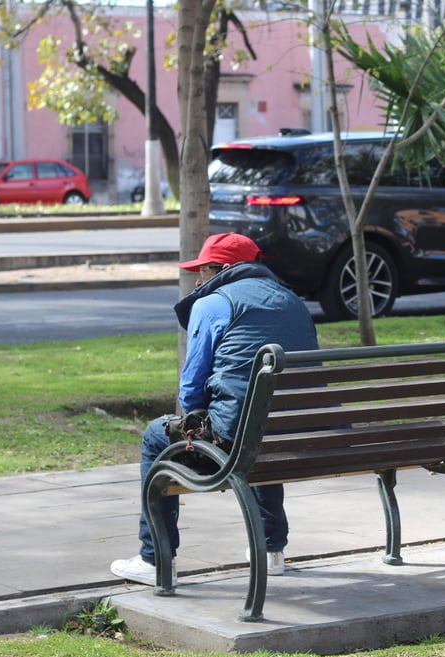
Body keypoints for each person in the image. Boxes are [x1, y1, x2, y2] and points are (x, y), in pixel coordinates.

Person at [111, 232, 318, 586]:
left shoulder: (213, 303)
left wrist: (195, 424)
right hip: (301, 433)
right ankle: (270, 550)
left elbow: (191, 388)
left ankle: (153, 558)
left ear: (221, 269)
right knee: (260, 424)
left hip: (241, 439)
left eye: (203, 271)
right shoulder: (292, 300)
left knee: (155, 435)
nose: (198, 280)